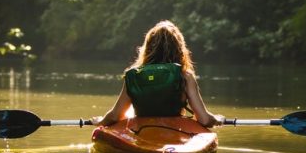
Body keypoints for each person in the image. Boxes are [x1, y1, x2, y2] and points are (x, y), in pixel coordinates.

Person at [92, 20, 222, 128]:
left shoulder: (134, 76)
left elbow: (116, 116)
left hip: (141, 132)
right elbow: (204, 120)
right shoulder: (185, 76)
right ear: (179, 49)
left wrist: (101, 121)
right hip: (176, 132)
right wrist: (217, 119)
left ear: (148, 47)